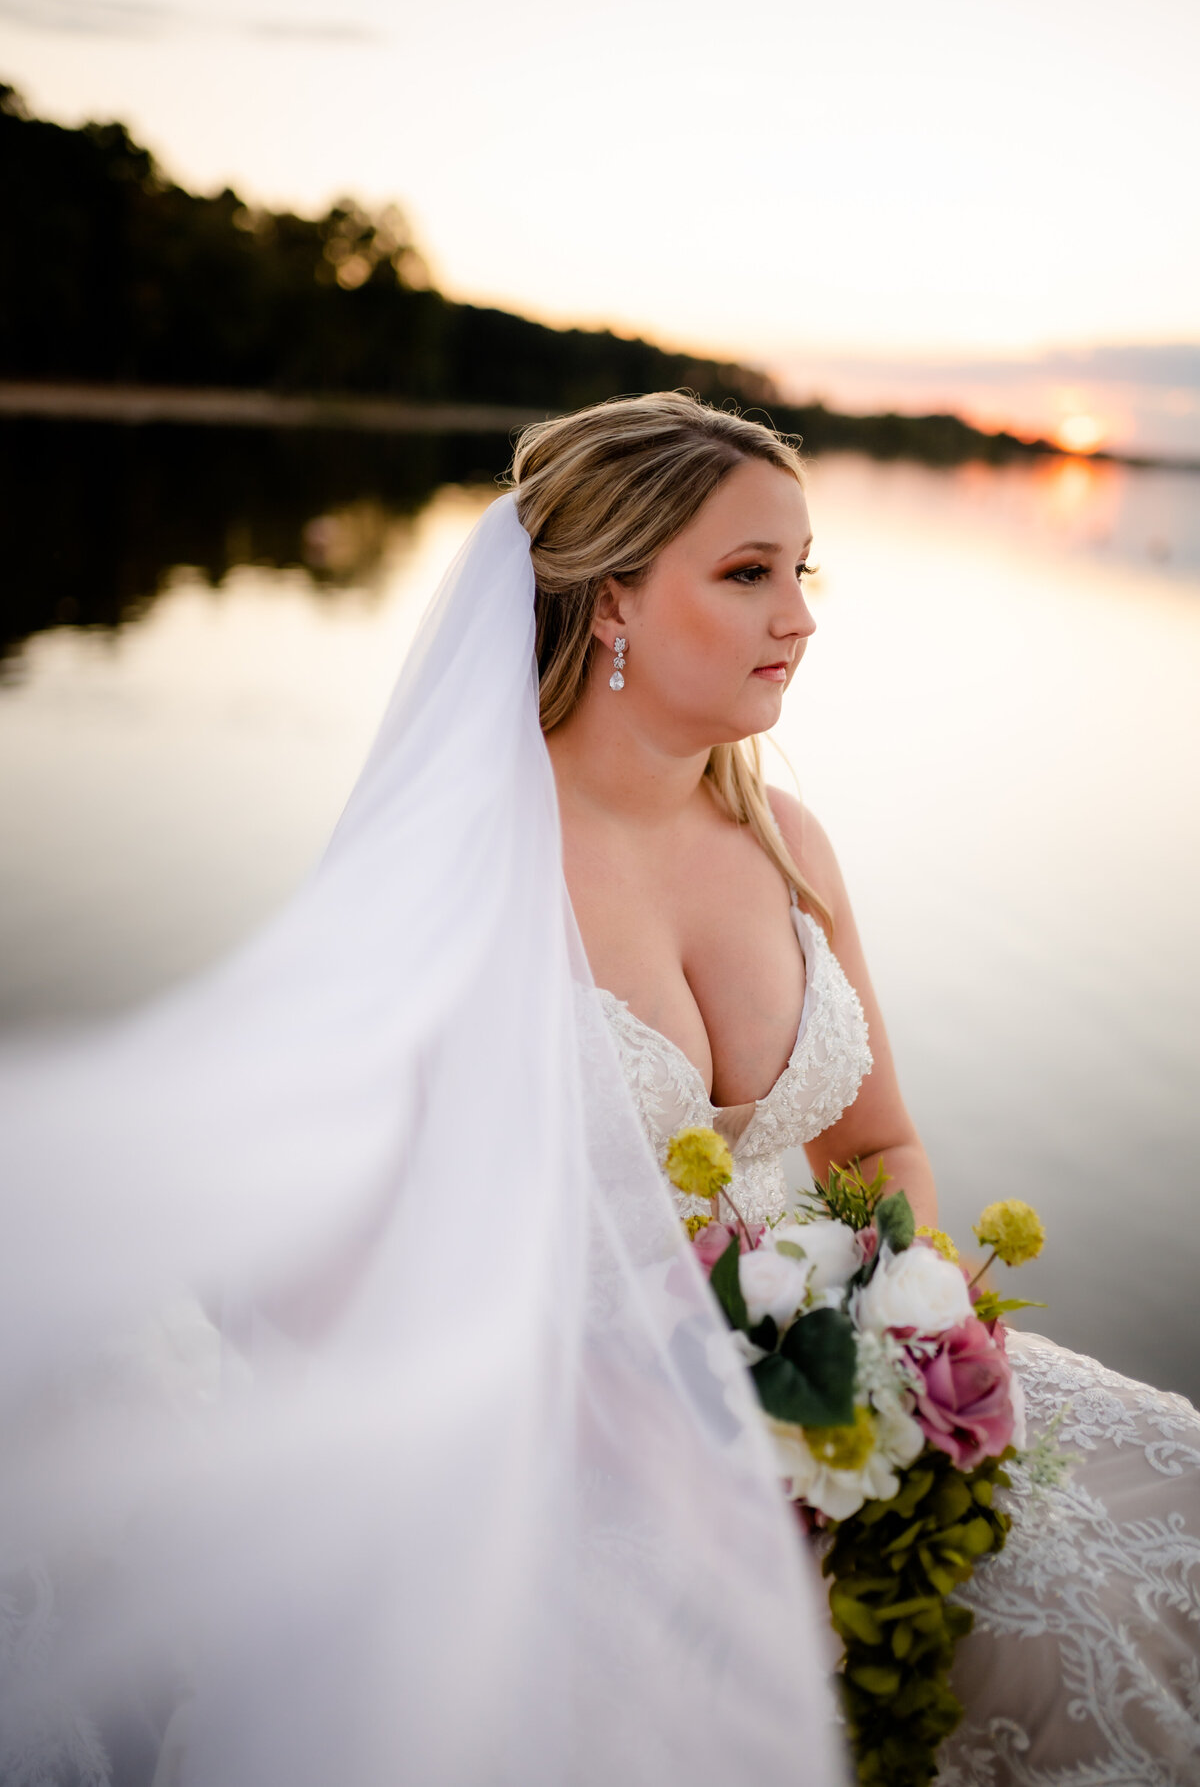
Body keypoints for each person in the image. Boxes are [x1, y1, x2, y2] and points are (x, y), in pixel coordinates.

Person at [0, 392, 1196, 1787]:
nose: (798, 616)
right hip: (564, 1449)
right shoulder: (460, 868)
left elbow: (882, 1141)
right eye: (748, 573)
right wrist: (631, 1403)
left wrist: (893, 1343)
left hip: (834, 1403)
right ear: (613, 599)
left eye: (802, 572)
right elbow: (300, 1261)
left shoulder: (787, 838)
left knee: (1157, 1511)